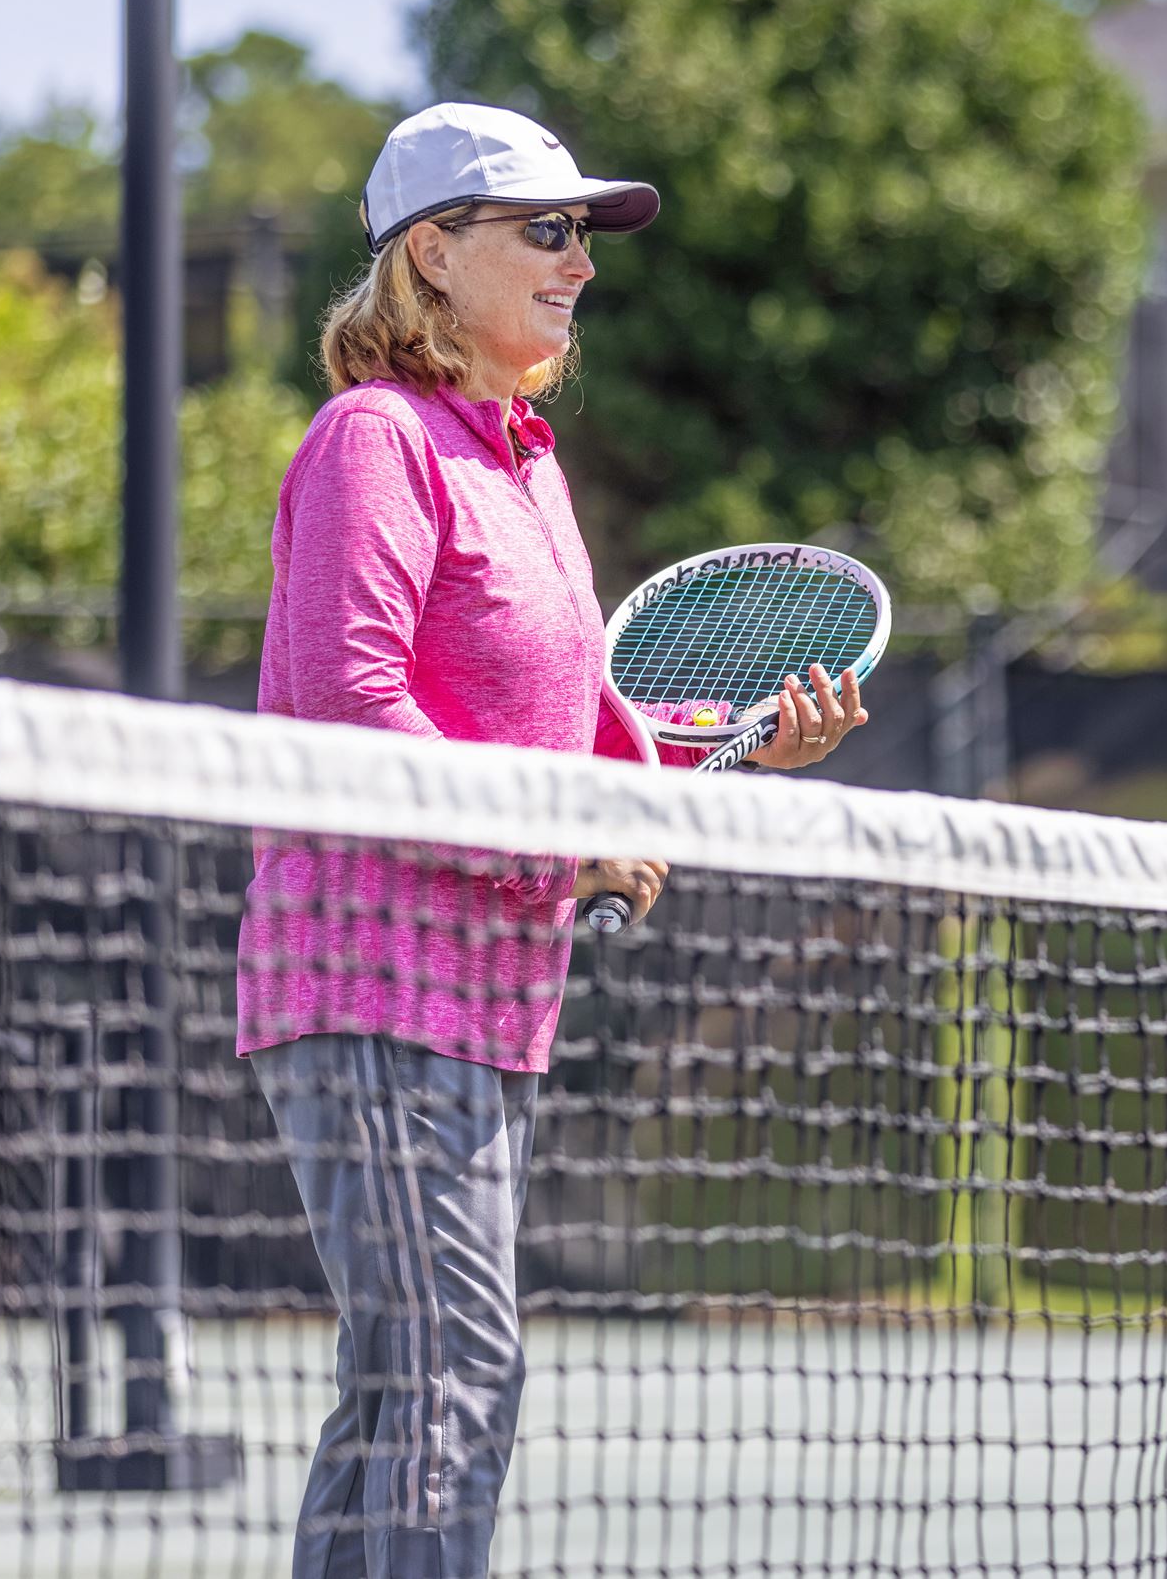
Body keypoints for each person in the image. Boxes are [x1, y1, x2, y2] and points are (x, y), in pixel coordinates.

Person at [235, 102, 866, 1579]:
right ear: (433, 255)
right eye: (549, 230)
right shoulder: (373, 439)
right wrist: (557, 857)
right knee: (448, 1382)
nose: (581, 262)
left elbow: (591, 744)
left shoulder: (527, 470)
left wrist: (749, 747)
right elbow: (349, 704)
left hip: (490, 1007)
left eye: (585, 234)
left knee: (428, 1390)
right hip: (368, 990)